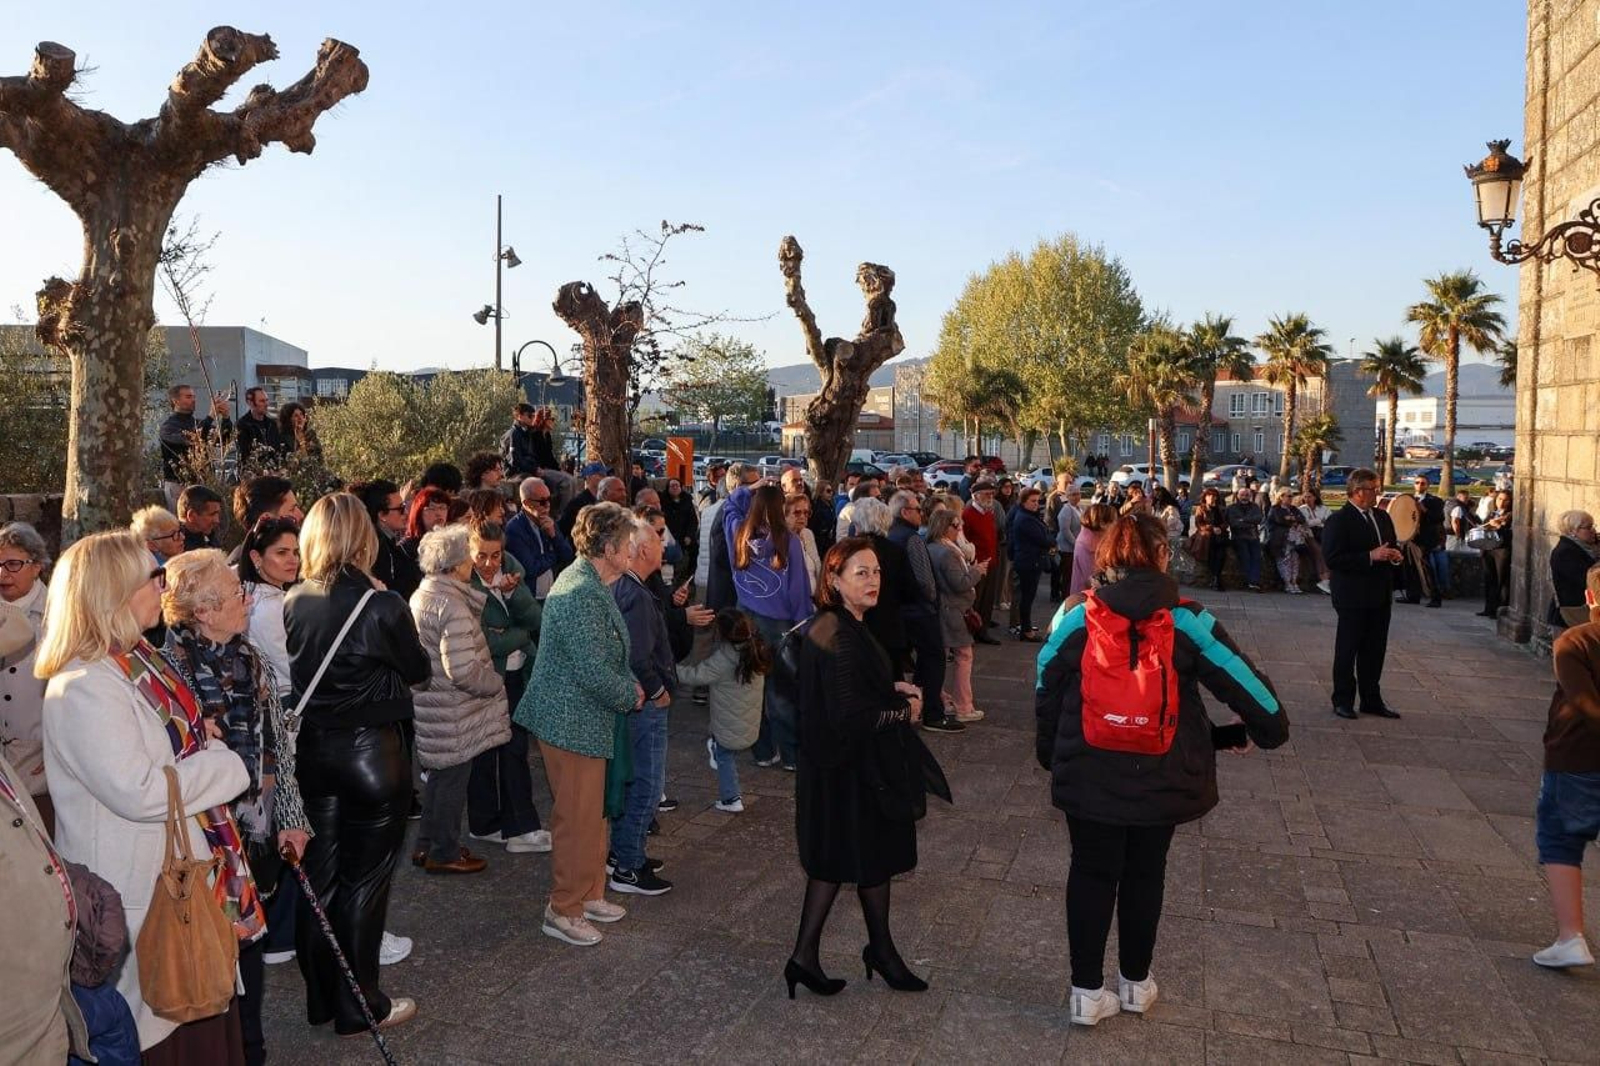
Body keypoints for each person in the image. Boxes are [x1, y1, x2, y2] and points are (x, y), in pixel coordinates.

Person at [1035, 512, 1288, 1026]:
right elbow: (1251, 690)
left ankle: (1086, 992)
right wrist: (1261, 732)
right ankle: (1135, 983)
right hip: (1164, 773)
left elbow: (1045, 687)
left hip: (1089, 769)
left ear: (1106, 558)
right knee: (1146, 873)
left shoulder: (1074, 615)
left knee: (1090, 871)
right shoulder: (1187, 618)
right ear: (1162, 556)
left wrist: (1050, 753)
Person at [38, 531, 253, 1061]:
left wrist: (200, 752)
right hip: (145, 901)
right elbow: (139, 790)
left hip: (174, 885)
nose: (163, 585)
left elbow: (173, 753)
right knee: (167, 1034)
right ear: (114, 591)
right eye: (152, 576)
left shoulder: (135, 662)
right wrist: (223, 764)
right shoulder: (83, 684)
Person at [284, 493, 428, 1036]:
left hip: (315, 754)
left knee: (318, 881)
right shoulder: (383, 604)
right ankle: (360, 1004)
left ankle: (321, 998)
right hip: (372, 754)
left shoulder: (294, 598)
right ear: (362, 537)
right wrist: (384, 600)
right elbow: (418, 670)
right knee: (364, 883)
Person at [161, 549, 312, 1066]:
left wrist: (290, 819)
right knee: (214, 958)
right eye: (233, 592)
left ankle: (253, 1051)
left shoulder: (251, 658)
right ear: (202, 610)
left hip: (256, 829)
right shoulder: (168, 673)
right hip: (203, 842)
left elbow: (278, 749)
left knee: (249, 952)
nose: (245, 598)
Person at [787, 536, 947, 999]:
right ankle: (874, 953)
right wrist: (905, 712)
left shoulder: (840, 624)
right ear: (833, 581)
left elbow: (847, 690)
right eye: (861, 573)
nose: (873, 580)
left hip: (840, 769)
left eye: (876, 572)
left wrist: (890, 683)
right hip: (849, 772)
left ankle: (809, 957)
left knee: (840, 862)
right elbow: (849, 716)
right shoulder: (837, 632)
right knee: (862, 859)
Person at [515, 502, 641, 946]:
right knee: (576, 817)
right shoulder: (580, 591)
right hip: (570, 721)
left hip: (586, 719)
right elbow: (591, 669)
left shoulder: (591, 583)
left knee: (595, 814)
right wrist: (631, 692)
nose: (635, 551)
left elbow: (603, 658)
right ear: (607, 548)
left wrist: (626, 684)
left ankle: (589, 894)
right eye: (628, 545)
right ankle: (562, 908)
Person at [408, 526, 510, 876]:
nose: (473, 560)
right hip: (453, 710)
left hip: (433, 705)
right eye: (468, 555)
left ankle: (427, 845)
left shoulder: (425, 593)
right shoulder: (451, 604)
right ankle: (444, 850)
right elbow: (462, 669)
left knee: (438, 779)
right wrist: (494, 682)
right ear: (455, 564)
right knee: (452, 782)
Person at [465, 522, 549, 854]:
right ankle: (512, 827)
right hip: (486, 679)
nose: (488, 563)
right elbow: (485, 641)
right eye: (481, 555)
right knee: (493, 752)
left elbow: (535, 619)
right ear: (469, 552)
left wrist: (512, 596)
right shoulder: (465, 581)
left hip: (513, 675)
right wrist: (518, 634)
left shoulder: (512, 571)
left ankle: (504, 824)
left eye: (495, 555)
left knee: (510, 750)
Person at [1534, 561, 1600, 968]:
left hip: (1576, 755)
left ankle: (1571, 935)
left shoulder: (1576, 642)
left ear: (1590, 597)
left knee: (1560, 839)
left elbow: (1583, 702)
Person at [609, 510, 678, 895]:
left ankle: (623, 854)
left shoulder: (631, 587)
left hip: (639, 700)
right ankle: (629, 866)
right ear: (639, 549)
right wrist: (656, 690)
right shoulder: (633, 592)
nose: (663, 546)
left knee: (636, 781)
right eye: (657, 541)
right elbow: (637, 655)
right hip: (644, 703)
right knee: (647, 786)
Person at [726, 481, 812, 770]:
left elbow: (729, 505)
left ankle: (762, 751)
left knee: (751, 689)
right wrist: (804, 627)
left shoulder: (738, 534)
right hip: (780, 624)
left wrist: (750, 487)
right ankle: (791, 754)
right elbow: (799, 590)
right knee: (782, 692)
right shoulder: (789, 542)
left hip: (746, 619)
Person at [1322, 469, 1404, 721]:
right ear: (1358, 492)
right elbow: (1333, 558)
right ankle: (1343, 700)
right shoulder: (1339, 520)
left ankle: (1371, 699)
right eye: (1373, 489)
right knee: (1348, 649)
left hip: (1379, 594)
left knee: (1375, 649)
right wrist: (1369, 556)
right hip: (1351, 595)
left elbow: (1389, 545)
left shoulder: (1381, 517)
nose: (1377, 494)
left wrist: (1393, 556)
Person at [679, 609, 770, 813]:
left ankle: (731, 799)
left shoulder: (723, 660)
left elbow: (695, 676)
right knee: (726, 746)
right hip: (750, 727)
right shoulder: (756, 650)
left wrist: (668, 667)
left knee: (724, 757)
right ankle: (763, 755)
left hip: (728, 731)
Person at [886, 491, 958, 731]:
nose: (922, 514)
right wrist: (931, 601)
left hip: (901, 609)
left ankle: (915, 705)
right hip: (918, 610)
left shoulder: (891, 534)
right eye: (918, 509)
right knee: (933, 659)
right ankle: (932, 713)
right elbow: (924, 579)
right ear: (905, 512)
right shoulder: (911, 538)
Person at [0, 522, 51, 823]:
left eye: (13, 564)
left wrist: (55, 755)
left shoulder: (58, 615)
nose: (2, 572)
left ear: (37, 566)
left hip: (39, 769)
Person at [927, 508, 985, 726]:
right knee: (964, 657)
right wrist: (977, 571)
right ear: (944, 527)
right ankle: (963, 706)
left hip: (943, 609)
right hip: (952, 611)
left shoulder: (932, 548)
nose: (959, 529)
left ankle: (942, 698)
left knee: (942, 658)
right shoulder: (947, 552)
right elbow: (960, 583)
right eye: (955, 525)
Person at [159, 384, 232, 510]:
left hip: (201, 482)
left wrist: (226, 418)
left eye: (194, 396)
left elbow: (223, 439)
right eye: (188, 397)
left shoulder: (198, 422)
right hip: (178, 484)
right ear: (175, 401)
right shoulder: (168, 427)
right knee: (180, 523)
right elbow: (195, 438)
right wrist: (210, 416)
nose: (193, 400)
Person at [504, 474, 574, 601]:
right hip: (530, 599)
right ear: (526, 503)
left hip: (552, 595)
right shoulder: (514, 529)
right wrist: (554, 555)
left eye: (549, 499)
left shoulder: (548, 522)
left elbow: (568, 555)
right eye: (542, 501)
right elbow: (531, 569)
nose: (547, 505)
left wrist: (554, 536)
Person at [352, 479, 423, 600]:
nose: (406, 513)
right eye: (400, 509)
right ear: (382, 515)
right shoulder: (377, 548)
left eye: (405, 507)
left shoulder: (384, 542)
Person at [1007, 487, 1053, 641]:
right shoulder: (1025, 518)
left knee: (1028, 597)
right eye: (1032, 501)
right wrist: (1051, 541)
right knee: (1026, 597)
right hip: (1028, 562)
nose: (1036, 504)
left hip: (1031, 560)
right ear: (1023, 501)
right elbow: (1043, 539)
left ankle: (1026, 627)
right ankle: (1026, 630)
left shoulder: (1029, 515)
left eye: (1038, 501)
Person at [963, 479, 1002, 642]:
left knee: (987, 599)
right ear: (976, 496)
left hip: (991, 561)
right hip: (977, 564)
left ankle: (983, 630)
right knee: (976, 600)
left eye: (992, 494)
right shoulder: (968, 514)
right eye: (987, 494)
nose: (990, 497)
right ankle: (971, 631)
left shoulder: (988, 512)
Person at [1549, 511, 1599, 630]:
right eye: (1588, 527)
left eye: (1593, 526)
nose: (1593, 531)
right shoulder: (1565, 552)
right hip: (1572, 614)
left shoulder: (1587, 548)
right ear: (1573, 531)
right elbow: (1589, 579)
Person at [1406, 475, 1449, 608]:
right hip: (1411, 538)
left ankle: (1435, 597)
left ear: (1427, 485)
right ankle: (1413, 596)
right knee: (1411, 568)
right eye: (1417, 483)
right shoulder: (1408, 499)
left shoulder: (1434, 501)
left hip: (1426, 539)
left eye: (1423, 483)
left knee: (1427, 569)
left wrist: (1424, 510)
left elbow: (1439, 518)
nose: (1420, 485)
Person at [399, 486, 452, 576]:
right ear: (419, 513)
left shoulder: (452, 543)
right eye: (432, 508)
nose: (438, 513)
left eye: (442, 507)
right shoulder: (406, 548)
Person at [1265, 487, 1308, 594]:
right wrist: (1292, 520)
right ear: (1281, 497)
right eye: (1288, 496)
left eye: (1291, 496)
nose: (1290, 498)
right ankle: (1287, 583)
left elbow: (1302, 519)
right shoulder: (1275, 509)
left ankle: (1294, 582)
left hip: (1295, 540)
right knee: (1284, 561)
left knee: (1295, 561)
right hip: (1282, 540)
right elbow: (1279, 520)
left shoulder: (1293, 509)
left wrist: (1290, 518)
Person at [1070, 504, 1118, 599]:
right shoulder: (1087, 545)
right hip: (1088, 598)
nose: (1116, 524)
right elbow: (1091, 580)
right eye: (1113, 521)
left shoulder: (1096, 537)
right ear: (1102, 523)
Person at [1479, 489, 1514, 619]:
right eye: (1499, 499)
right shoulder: (1493, 513)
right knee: (1489, 579)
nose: (1502, 502)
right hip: (1489, 549)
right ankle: (1489, 608)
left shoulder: (1511, 516)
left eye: (1506, 500)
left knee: (1501, 580)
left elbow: (1511, 535)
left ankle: (1500, 610)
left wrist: (1500, 527)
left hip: (1502, 550)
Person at [1224, 486, 1264, 591]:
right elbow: (1233, 523)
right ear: (1237, 496)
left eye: (1247, 495)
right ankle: (1251, 582)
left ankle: (1253, 582)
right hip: (1239, 537)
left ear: (1250, 496)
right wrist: (1249, 523)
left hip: (1253, 536)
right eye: (1242, 495)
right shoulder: (1231, 508)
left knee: (1256, 558)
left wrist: (1243, 520)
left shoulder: (1254, 506)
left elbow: (1258, 518)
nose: (1244, 497)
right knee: (1245, 557)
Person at [557, 461, 609, 541]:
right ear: (589, 478)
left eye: (604, 475)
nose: (604, 477)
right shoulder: (578, 503)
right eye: (600, 475)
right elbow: (563, 528)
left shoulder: (602, 501)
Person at [236, 386, 285, 470]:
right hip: (253, 474)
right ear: (250, 403)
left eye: (267, 400)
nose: (266, 404)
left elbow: (278, 449)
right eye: (262, 401)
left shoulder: (272, 424)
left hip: (274, 473)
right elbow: (245, 454)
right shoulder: (242, 425)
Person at [1190, 488, 1230, 592]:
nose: (1211, 498)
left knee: (1221, 555)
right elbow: (1199, 524)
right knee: (1211, 554)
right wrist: (1212, 528)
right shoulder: (1201, 508)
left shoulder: (1221, 509)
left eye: (1214, 496)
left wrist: (1220, 528)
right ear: (1205, 497)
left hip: (1220, 536)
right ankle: (1216, 579)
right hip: (1208, 536)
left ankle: (1216, 578)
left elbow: (1226, 523)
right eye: (1209, 496)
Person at [662, 477, 700, 584]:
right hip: (669, 536)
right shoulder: (663, 500)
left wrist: (689, 535)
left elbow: (693, 520)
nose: (674, 488)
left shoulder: (687, 500)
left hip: (684, 534)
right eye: (672, 486)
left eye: (677, 485)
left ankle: (690, 576)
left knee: (695, 550)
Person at [1297, 489, 1333, 595]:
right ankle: (1324, 578)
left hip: (1323, 534)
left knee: (1325, 553)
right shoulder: (1302, 509)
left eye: (1309, 497)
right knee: (1318, 552)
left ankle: (1325, 579)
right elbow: (1305, 523)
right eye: (1305, 497)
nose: (1307, 499)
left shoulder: (1323, 508)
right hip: (1308, 535)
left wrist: (1318, 522)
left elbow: (1329, 520)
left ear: (1315, 497)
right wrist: (1320, 521)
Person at [786, 492, 823, 591]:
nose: (802, 517)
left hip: (813, 599)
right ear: (785, 515)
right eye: (797, 513)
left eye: (806, 513)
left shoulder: (808, 534)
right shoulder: (781, 539)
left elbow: (818, 566)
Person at [1053, 485, 1083, 602]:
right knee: (1067, 575)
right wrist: (1076, 544)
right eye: (1073, 495)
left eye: (1078, 494)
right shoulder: (1066, 509)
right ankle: (1065, 598)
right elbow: (1065, 530)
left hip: (1076, 546)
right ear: (1068, 496)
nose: (1077, 497)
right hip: (1067, 548)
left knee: (1072, 574)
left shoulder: (1079, 508)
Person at [178, 484, 225, 552]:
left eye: (218, 514)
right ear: (191, 516)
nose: (217, 520)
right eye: (212, 514)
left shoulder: (209, 537)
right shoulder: (177, 548)